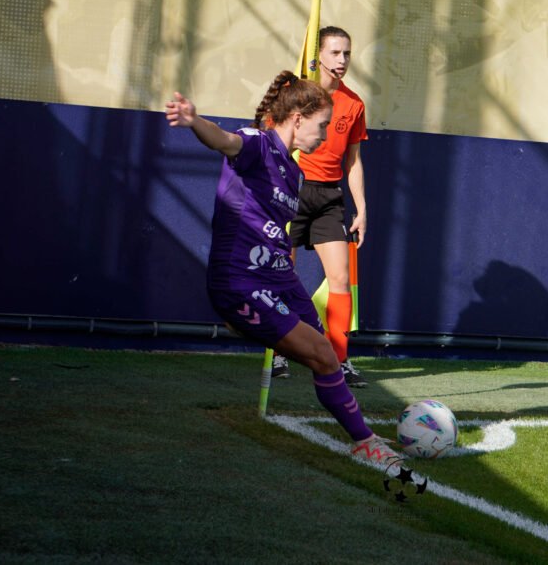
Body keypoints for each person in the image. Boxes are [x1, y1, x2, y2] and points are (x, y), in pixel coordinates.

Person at [164, 70, 401, 469]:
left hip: (279, 278)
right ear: (298, 118)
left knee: (324, 354)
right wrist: (193, 121)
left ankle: (362, 433)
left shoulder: (295, 173)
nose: (325, 137)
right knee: (324, 354)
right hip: (241, 281)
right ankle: (364, 441)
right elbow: (224, 140)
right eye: (322, 126)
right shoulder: (257, 144)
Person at [272, 26, 370, 387]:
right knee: (283, 272)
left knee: (341, 278)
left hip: (329, 197)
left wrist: (362, 208)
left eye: (347, 53)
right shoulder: (295, 95)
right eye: (335, 53)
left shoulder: (354, 103)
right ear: (319, 56)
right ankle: (279, 352)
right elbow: (272, 141)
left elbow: (353, 161)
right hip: (293, 189)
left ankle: (338, 359)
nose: (342, 60)